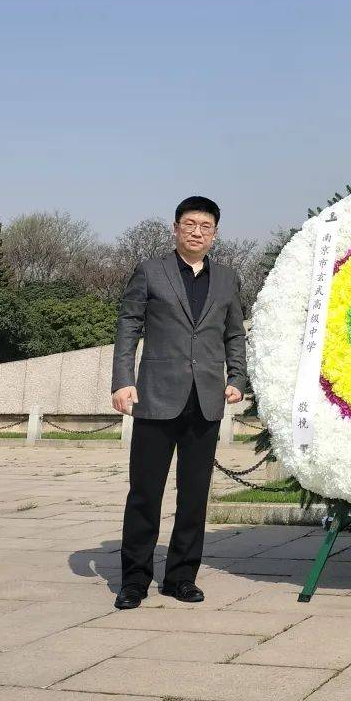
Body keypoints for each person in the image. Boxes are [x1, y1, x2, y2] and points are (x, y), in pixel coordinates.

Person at [111, 196, 247, 610]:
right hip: (156, 397)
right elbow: (128, 325)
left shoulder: (227, 279)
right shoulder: (150, 271)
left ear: (215, 234)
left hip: (205, 401)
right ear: (175, 228)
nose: (196, 232)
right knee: (145, 493)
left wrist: (237, 378)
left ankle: (181, 577)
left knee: (194, 496)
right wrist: (123, 380)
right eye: (190, 224)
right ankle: (134, 580)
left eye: (205, 226)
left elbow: (234, 333)